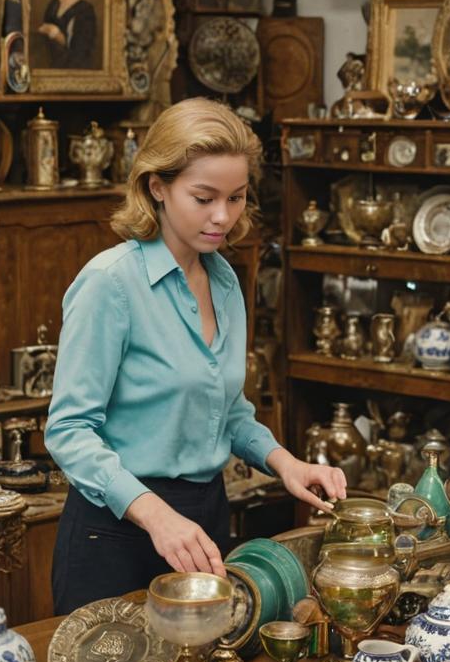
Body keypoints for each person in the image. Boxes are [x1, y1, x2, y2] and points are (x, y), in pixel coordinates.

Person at [46, 98, 347, 614]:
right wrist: (154, 514)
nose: (223, 217)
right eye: (204, 197)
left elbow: (225, 409)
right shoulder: (109, 283)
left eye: (236, 197)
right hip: (115, 531)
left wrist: (286, 463)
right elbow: (69, 431)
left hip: (204, 519)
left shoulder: (225, 281)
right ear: (156, 187)